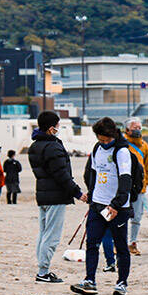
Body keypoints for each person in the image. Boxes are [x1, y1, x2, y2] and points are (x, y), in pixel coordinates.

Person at [70, 117, 133, 295]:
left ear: (112, 134)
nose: (103, 142)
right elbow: (92, 172)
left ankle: (122, 282)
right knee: (92, 243)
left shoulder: (122, 151)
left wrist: (116, 204)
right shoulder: (97, 148)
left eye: (106, 139)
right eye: (100, 139)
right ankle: (90, 280)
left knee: (120, 246)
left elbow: (126, 180)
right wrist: (91, 194)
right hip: (98, 204)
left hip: (117, 208)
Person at [28, 111, 86, 283]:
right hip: (55, 196)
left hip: (43, 195)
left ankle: (42, 268)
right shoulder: (52, 147)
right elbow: (61, 174)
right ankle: (43, 271)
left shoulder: (35, 146)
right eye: (58, 126)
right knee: (52, 235)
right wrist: (77, 193)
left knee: (43, 232)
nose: (59, 129)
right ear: (51, 128)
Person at [123, 118, 148, 256]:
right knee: (121, 216)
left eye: (140, 127)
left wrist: (145, 182)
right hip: (123, 187)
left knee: (137, 217)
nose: (138, 130)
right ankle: (120, 243)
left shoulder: (144, 145)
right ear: (127, 129)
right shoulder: (122, 144)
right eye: (135, 127)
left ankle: (132, 243)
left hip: (139, 188)